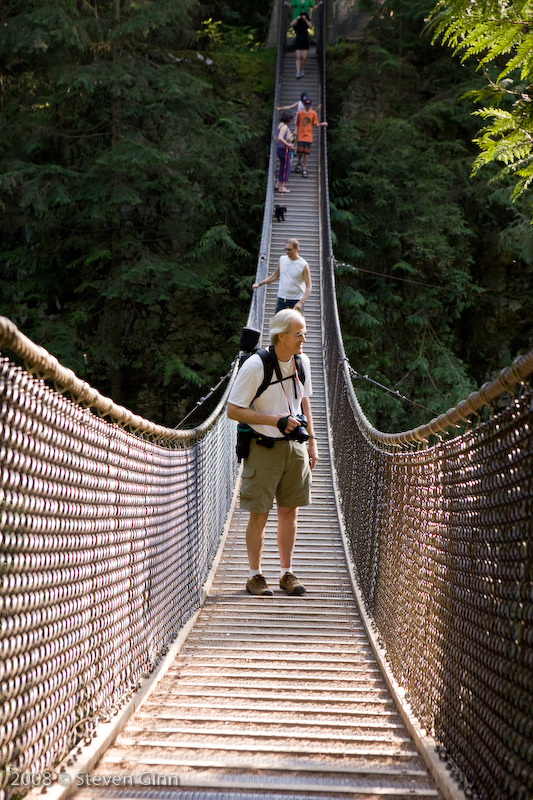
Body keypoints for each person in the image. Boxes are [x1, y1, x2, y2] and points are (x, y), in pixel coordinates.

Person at [227, 309, 319, 596]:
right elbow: (233, 410)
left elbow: (304, 403)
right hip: (263, 446)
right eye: (299, 334)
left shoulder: (302, 362)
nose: (304, 338)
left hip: (295, 446)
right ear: (281, 336)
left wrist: (312, 442)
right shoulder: (255, 366)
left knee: (289, 511)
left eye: (304, 332)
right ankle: (255, 576)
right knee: (260, 513)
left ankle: (286, 573)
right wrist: (275, 420)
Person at [252, 238, 312, 313]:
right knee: (277, 324)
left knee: (295, 324)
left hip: (296, 301)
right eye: (286, 249)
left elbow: (309, 286)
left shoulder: (303, 265)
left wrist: (301, 302)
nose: (287, 252)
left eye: (289, 250)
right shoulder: (282, 259)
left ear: (297, 249)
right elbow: (275, 276)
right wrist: (260, 284)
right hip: (281, 299)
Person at [295, 96, 327, 177]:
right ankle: (299, 163)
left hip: (308, 135)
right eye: (306, 105)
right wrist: (296, 131)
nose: (307, 107)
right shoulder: (300, 113)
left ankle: (304, 168)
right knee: (300, 151)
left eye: (309, 105)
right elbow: (297, 123)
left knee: (306, 152)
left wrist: (321, 124)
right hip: (301, 134)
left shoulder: (313, 113)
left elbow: (315, 124)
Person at [275, 111, 296, 194]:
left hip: (280, 149)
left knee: (282, 167)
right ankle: (281, 187)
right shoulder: (284, 127)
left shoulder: (280, 125)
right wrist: (288, 145)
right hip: (283, 150)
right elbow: (280, 138)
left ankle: (279, 185)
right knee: (285, 168)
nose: (291, 121)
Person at [290, 12, 311, 78]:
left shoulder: (306, 23)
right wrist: (297, 18)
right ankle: (298, 71)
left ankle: (302, 70)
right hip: (298, 40)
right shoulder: (297, 22)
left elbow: (311, 26)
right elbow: (291, 25)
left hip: (305, 40)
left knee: (304, 57)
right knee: (298, 57)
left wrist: (306, 20)